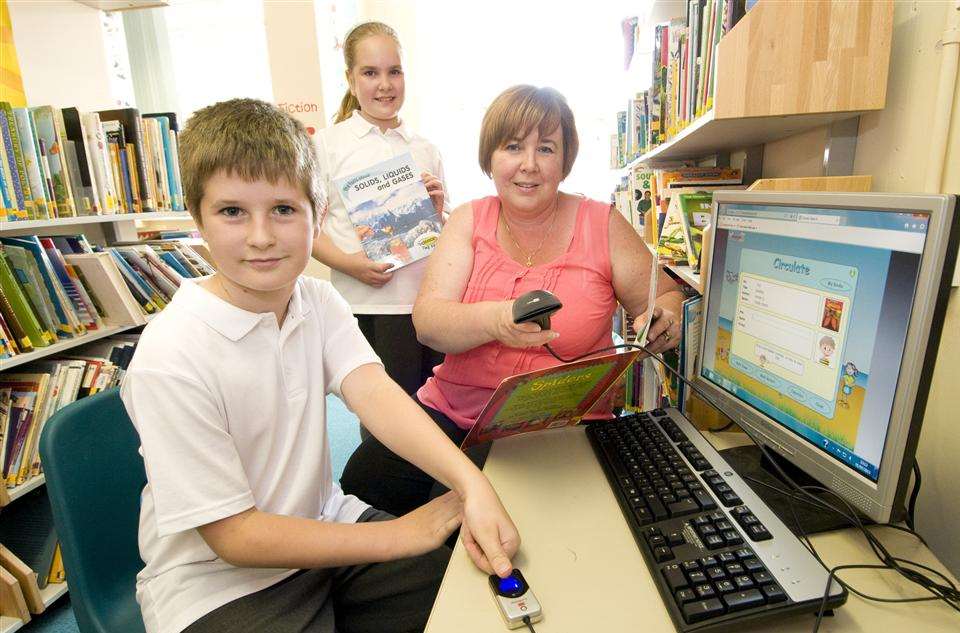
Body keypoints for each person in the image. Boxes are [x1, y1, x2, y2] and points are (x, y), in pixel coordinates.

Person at [120, 99, 518, 633]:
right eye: (233, 211)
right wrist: (401, 535)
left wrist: (473, 485)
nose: (261, 237)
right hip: (217, 583)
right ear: (198, 218)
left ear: (317, 211)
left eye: (284, 210)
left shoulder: (317, 299)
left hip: (325, 527)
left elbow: (375, 395)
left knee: (469, 606)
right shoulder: (172, 355)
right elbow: (233, 536)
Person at [340, 85, 686, 517]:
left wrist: (665, 316)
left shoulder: (604, 223)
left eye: (545, 148)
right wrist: (500, 320)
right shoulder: (468, 219)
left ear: (565, 160)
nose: (528, 165)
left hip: (559, 425)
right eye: (512, 147)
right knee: (364, 481)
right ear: (490, 157)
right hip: (454, 413)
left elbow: (665, 296)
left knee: (460, 515)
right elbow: (428, 322)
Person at [312, 22, 447, 432]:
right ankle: (388, 497)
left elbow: (439, 235)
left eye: (394, 71)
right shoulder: (327, 145)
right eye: (370, 73)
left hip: (427, 305)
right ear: (351, 79)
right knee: (387, 421)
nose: (384, 84)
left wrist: (437, 211)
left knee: (436, 410)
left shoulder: (423, 147)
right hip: (370, 307)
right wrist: (350, 264)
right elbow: (305, 230)